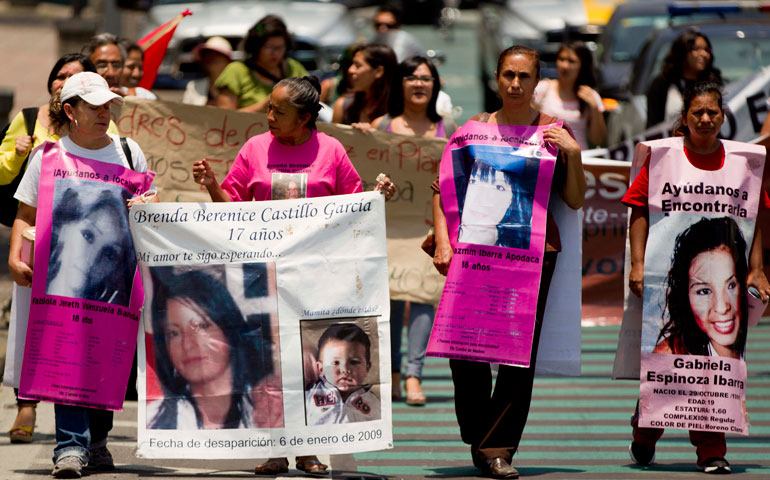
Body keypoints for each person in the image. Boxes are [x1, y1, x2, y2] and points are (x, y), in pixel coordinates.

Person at [192, 75, 395, 476]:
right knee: (268, 363)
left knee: (308, 364)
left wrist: (377, 194)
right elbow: (230, 209)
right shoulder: (254, 148)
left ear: (304, 118)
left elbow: (354, 206)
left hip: (315, 278)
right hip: (260, 279)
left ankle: (308, 450)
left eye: (277, 111)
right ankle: (274, 449)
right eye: (268, 107)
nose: (268, 116)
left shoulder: (332, 150)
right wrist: (212, 184)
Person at [432, 45, 586, 479]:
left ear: (538, 82)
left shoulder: (556, 132)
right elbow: (441, 190)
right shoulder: (472, 130)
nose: (516, 84)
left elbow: (574, 199)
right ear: (496, 79)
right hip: (475, 257)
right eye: (508, 75)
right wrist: (444, 243)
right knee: (466, 352)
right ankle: (480, 431)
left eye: (524, 76)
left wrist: (572, 154)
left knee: (519, 356)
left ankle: (498, 448)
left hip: (535, 258)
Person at [9, 71, 153, 478]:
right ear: (70, 111)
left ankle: (99, 439)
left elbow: (148, 209)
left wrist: (148, 205)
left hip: (116, 283)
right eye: (94, 107)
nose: (104, 113)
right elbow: (26, 214)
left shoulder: (129, 152)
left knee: (106, 360)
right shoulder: (47, 157)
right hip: (62, 281)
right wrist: (15, 259)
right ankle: (70, 447)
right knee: (66, 357)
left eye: (108, 106)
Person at [622, 81, 770, 474]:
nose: (705, 119)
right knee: (667, 374)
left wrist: (756, 268)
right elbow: (638, 210)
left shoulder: (745, 162)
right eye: (697, 113)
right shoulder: (663, 158)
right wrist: (638, 264)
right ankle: (644, 429)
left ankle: (712, 451)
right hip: (671, 288)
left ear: (723, 117)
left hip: (730, 287)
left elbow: (757, 217)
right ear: (684, 119)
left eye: (712, 113)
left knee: (717, 373)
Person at [2, 53, 101, 446]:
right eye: (60, 76)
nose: (65, 82)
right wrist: (18, 153)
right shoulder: (29, 122)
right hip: (38, 250)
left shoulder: (109, 138)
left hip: (87, 257)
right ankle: (27, 405)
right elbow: (12, 188)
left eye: (74, 77)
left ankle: (88, 437)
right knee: (32, 330)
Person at [372, 55, 455, 405]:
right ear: (400, 85)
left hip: (429, 225)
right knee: (389, 298)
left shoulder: (448, 129)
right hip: (389, 226)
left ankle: (413, 374)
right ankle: (390, 373)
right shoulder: (382, 125)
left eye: (425, 78)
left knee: (423, 298)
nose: (419, 83)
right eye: (411, 77)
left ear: (435, 85)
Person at [147, 268, 273, 429]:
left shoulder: (272, 409)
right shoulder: (153, 420)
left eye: (202, 326)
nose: (188, 344)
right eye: (174, 333)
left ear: (229, 328)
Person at [652, 217, 748, 359]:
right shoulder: (669, 355)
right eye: (704, 291)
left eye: (731, 285)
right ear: (686, 296)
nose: (722, 307)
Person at [46, 187, 135, 306]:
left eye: (109, 253)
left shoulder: (110, 321)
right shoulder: (30, 292)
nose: (93, 258)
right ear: (64, 228)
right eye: (88, 236)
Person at [215, 15, 308, 112]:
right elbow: (224, 118)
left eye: (280, 47)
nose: (275, 53)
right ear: (256, 46)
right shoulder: (235, 72)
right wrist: (264, 106)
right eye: (269, 47)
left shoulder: (293, 68)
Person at [533, 40, 606, 149]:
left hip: (577, 160)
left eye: (572, 61)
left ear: (582, 65)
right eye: (561, 59)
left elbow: (598, 139)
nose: (565, 66)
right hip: (545, 158)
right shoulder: (542, 89)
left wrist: (594, 108)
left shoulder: (590, 96)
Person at [305, 323, 380, 425]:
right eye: (335, 363)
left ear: (367, 368)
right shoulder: (309, 397)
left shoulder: (374, 402)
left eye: (354, 362)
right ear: (320, 368)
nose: (345, 369)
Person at [646, 29, 722, 129]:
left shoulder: (714, 83)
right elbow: (653, 125)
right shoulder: (662, 84)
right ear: (683, 52)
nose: (704, 54)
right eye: (696, 49)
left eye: (707, 50)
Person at [332, 44, 398, 125]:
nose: (350, 70)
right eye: (352, 64)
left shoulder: (401, 111)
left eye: (358, 65)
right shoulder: (343, 106)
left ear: (378, 71)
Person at [182, 36, 233, 106]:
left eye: (217, 54)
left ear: (227, 60)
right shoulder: (193, 86)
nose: (211, 57)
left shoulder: (237, 87)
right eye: (207, 53)